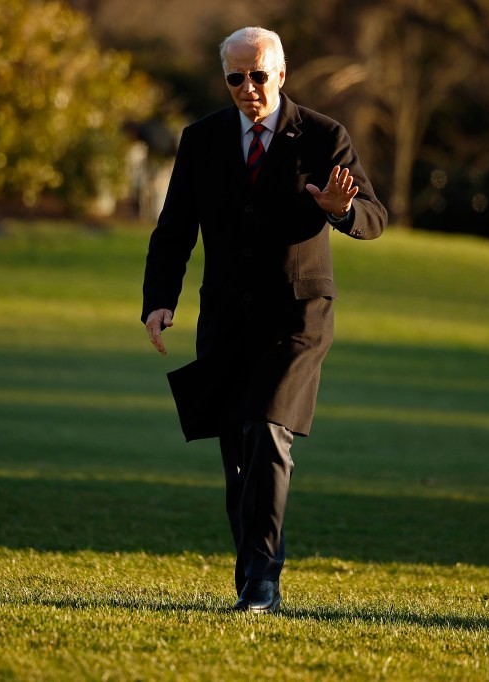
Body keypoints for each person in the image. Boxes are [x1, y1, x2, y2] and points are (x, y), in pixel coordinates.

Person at [142, 26, 386, 614]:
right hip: (226, 317)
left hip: (297, 315)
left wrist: (342, 209)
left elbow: (376, 217)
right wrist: (158, 300)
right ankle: (254, 570)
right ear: (224, 77)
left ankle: (260, 585)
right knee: (238, 455)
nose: (247, 87)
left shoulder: (325, 136)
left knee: (269, 432)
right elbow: (175, 228)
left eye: (258, 75)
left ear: (280, 74)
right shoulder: (201, 140)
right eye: (235, 77)